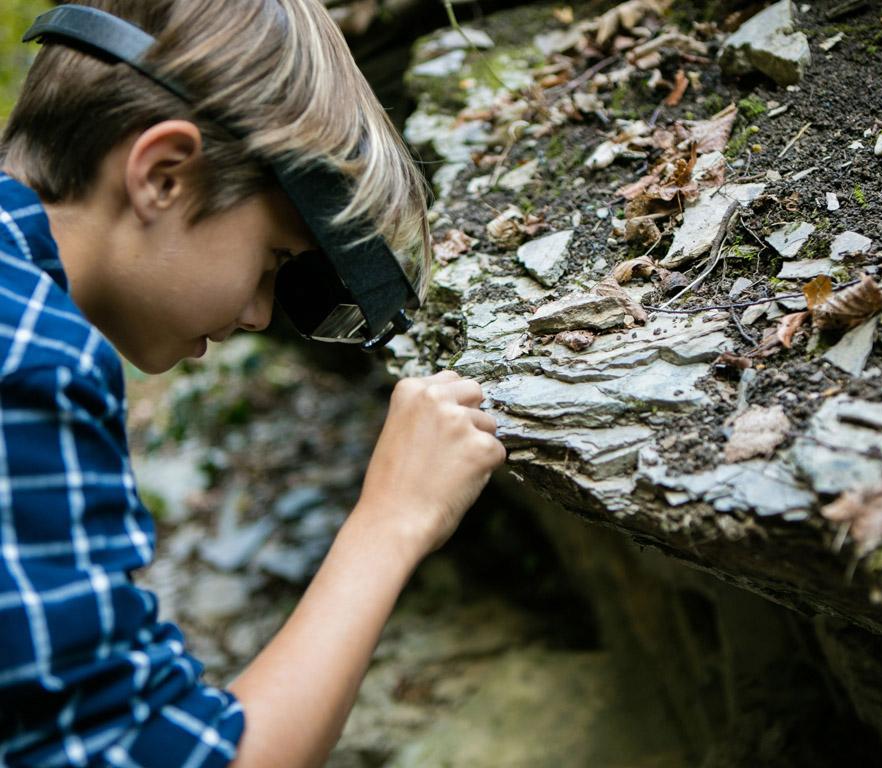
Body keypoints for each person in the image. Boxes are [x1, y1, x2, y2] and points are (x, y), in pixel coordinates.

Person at [0, 1, 505, 766]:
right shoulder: (35, 361)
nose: (257, 312)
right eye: (271, 260)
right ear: (163, 176)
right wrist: (394, 520)